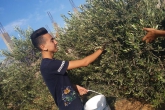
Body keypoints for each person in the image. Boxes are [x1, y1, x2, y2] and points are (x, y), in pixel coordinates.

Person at [30, 27, 105, 110]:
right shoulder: (49, 65)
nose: (56, 42)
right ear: (43, 47)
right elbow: (85, 62)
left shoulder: (48, 64)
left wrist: (75, 87)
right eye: (52, 40)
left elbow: (59, 85)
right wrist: (101, 49)